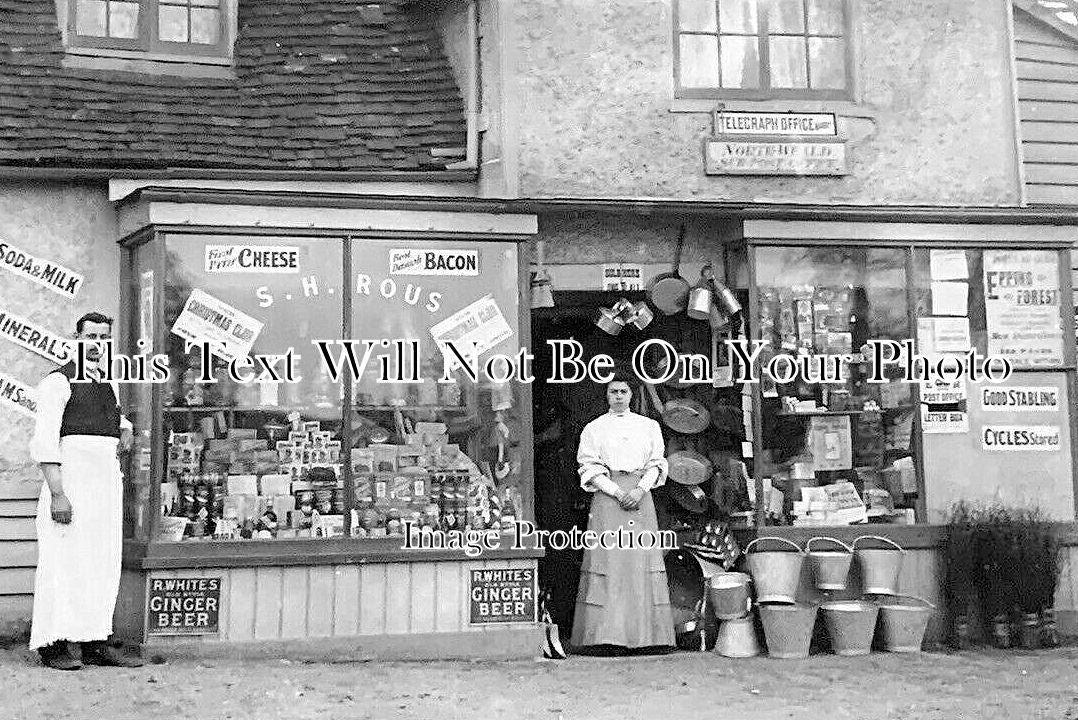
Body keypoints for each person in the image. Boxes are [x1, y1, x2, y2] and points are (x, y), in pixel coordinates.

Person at [28, 312, 144, 670]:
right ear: (76, 338)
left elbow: (114, 417)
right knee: (62, 563)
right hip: (70, 485)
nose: (97, 344)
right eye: (90, 336)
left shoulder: (109, 381)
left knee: (100, 562)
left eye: (104, 338)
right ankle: (53, 645)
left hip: (104, 486)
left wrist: (124, 428)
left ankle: (95, 641)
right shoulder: (57, 383)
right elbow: (46, 442)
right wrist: (58, 494)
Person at [571, 374, 674, 651]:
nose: (618, 396)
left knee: (639, 564)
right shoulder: (594, 428)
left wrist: (640, 489)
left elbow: (656, 463)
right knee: (610, 564)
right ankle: (606, 637)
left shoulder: (649, 426)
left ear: (632, 394)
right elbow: (589, 467)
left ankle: (647, 638)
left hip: (640, 498)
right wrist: (616, 492)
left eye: (623, 391)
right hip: (608, 499)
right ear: (606, 395)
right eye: (613, 391)